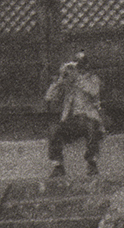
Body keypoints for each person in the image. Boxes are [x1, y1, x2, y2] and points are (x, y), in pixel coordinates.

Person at [43, 51, 109, 179]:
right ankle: (58, 166)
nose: (78, 69)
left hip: (88, 117)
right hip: (71, 121)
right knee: (53, 129)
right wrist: (60, 80)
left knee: (90, 126)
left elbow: (94, 92)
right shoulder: (67, 83)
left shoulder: (92, 79)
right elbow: (49, 97)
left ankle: (92, 163)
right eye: (76, 66)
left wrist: (78, 79)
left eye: (80, 66)